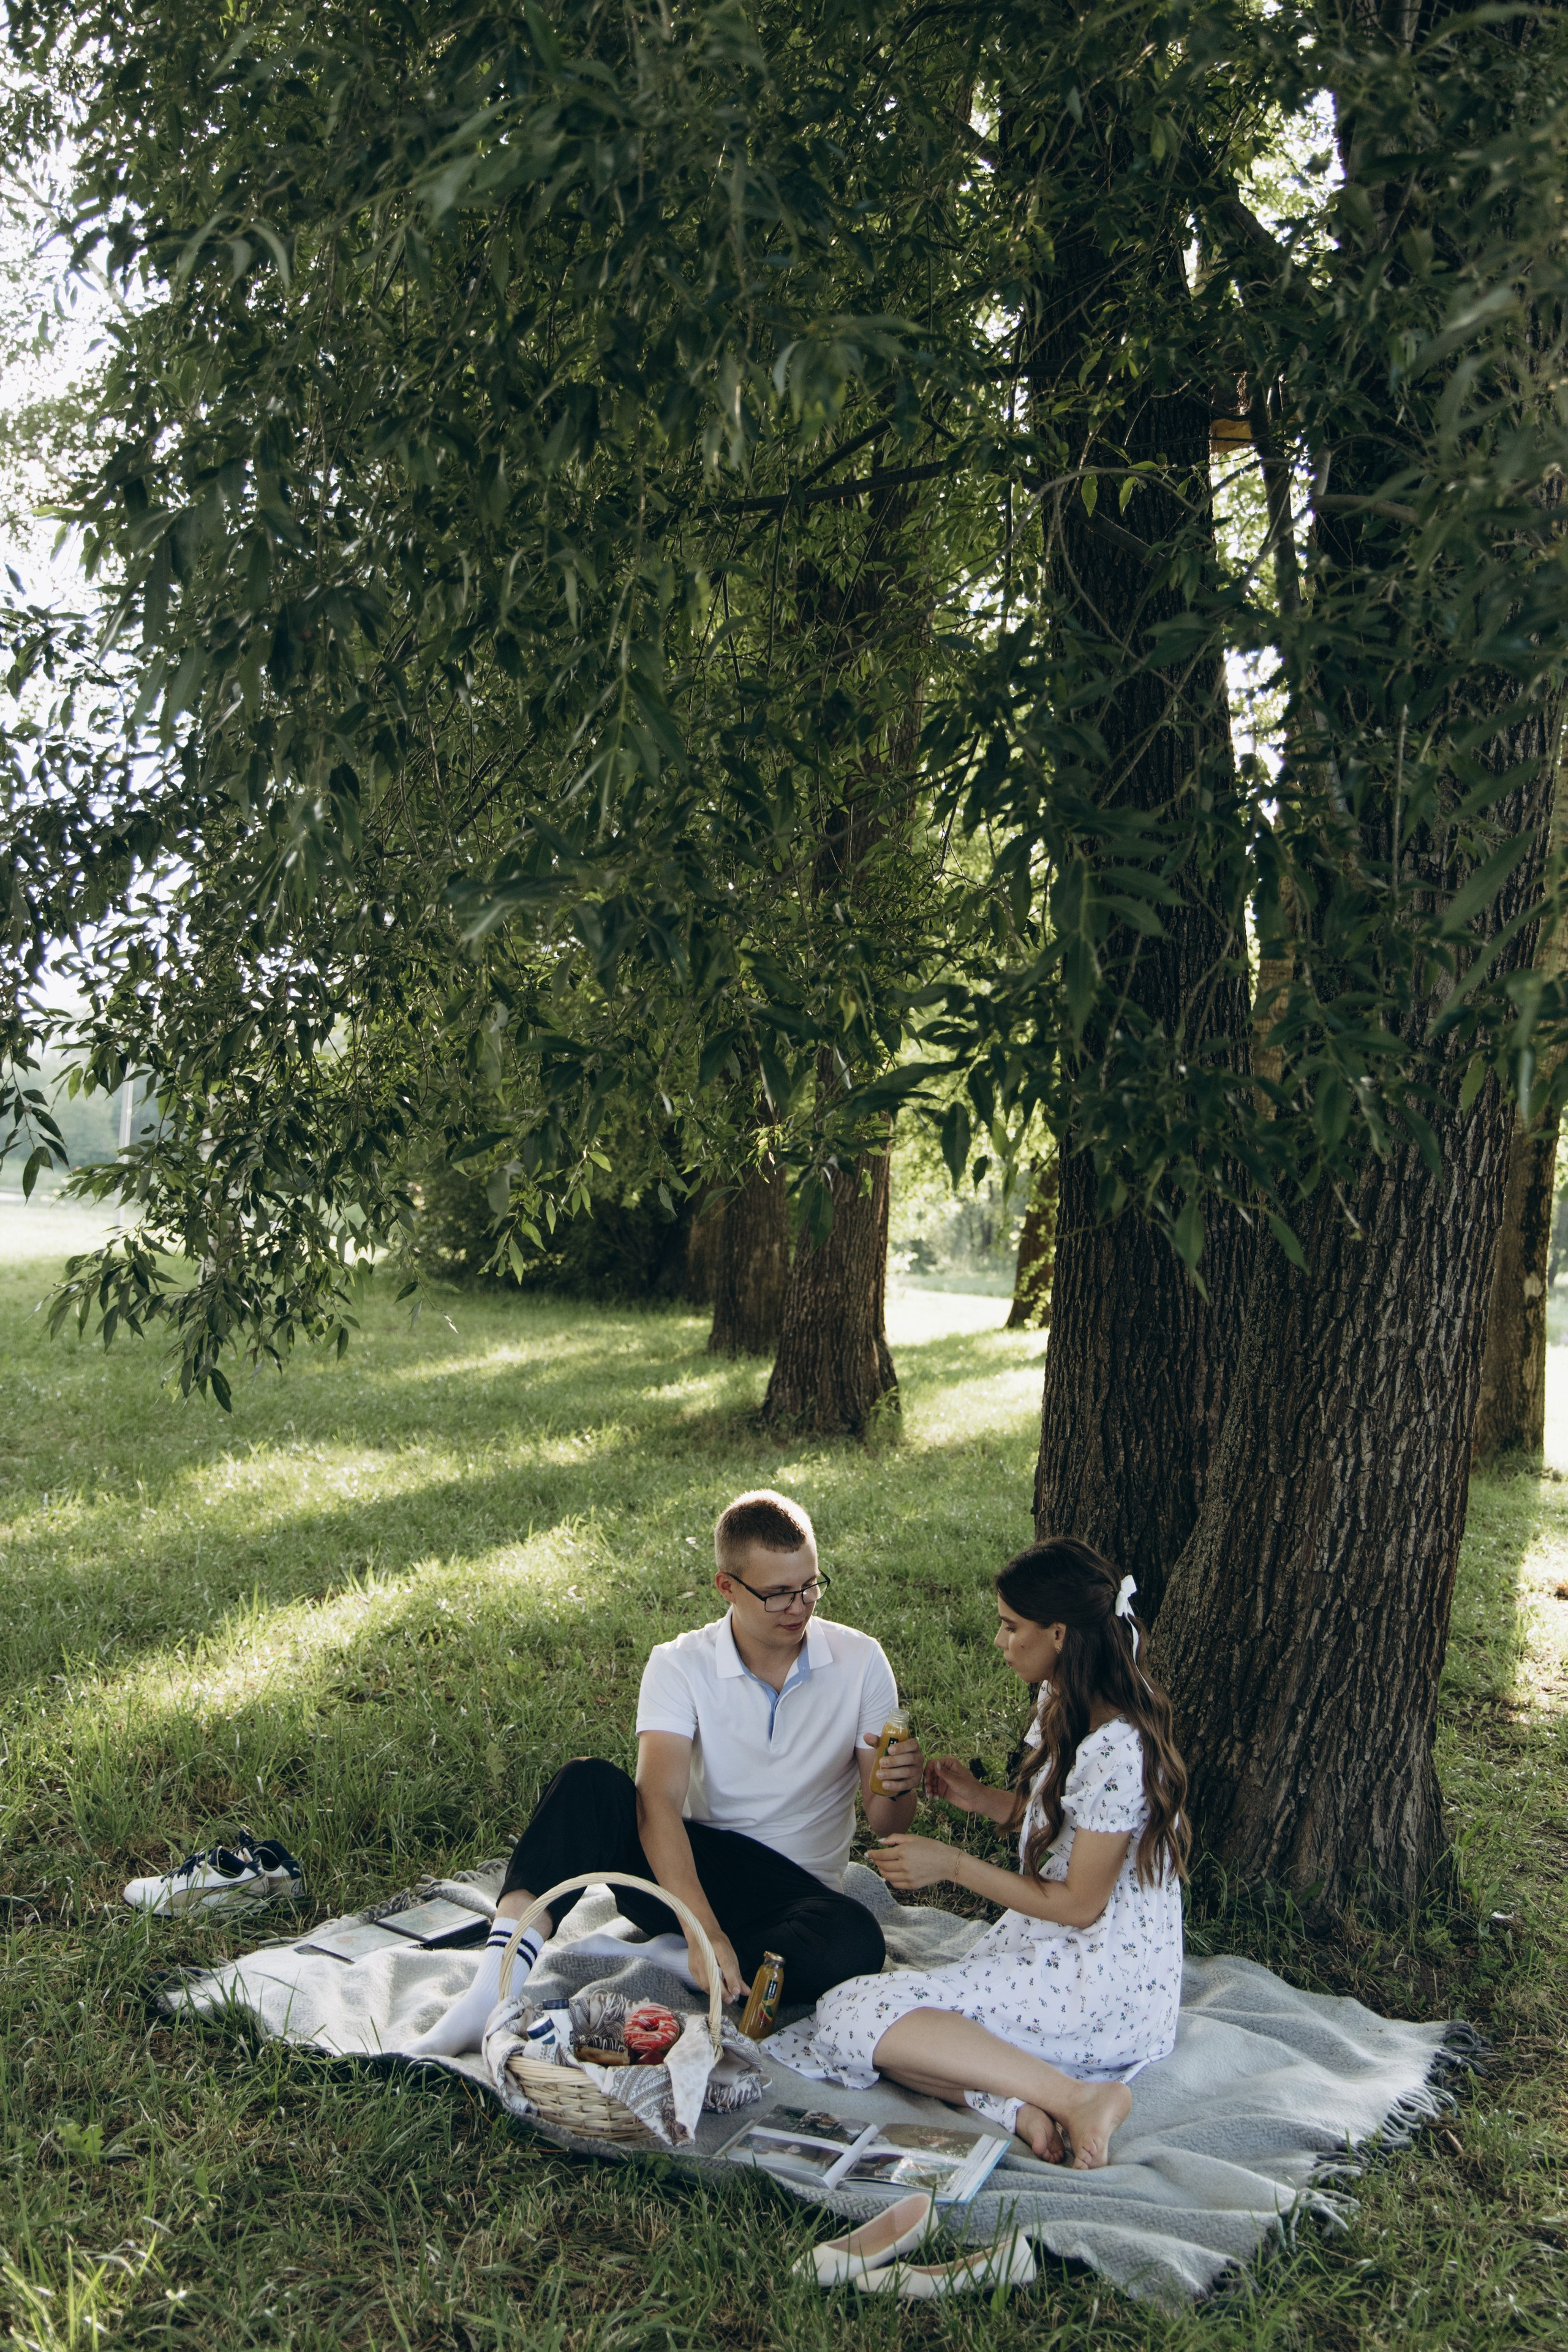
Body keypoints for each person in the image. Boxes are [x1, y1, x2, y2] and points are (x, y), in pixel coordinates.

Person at [407, 1488, 923, 2056]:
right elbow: (657, 1804)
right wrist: (703, 1925)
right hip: (687, 1872)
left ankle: (668, 1956)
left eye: (810, 1586)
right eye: (777, 1594)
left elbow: (885, 1823)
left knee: (854, 1941)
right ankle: (493, 1988)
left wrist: (900, 1783)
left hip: (796, 1898)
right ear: (727, 1587)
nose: (799, 1607)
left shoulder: (861, 1660)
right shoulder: (680, 1664)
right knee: (588, 1784)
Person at [766, 1537, 1187, 2169]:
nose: (998, 1641)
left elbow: (1078, 1904)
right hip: (1052, 1946)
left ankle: (1079, 2097)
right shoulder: (1063, 1698)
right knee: (883, 2029)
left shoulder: (1120, 1750)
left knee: (851, 2013)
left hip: (1100, 1981)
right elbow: (1069, 1825)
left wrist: (953, 1866)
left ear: (1059, 1635)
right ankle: (1015, 2105)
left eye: (1010, 1626)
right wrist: (980, 1798)